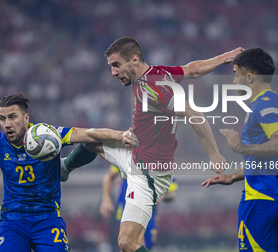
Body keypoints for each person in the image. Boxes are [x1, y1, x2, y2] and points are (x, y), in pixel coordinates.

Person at [61, 37, 244, 252]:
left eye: (116, 65)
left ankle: (64, 167)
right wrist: (223, 58)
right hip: (134, 153)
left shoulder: (153, 88)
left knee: (128, 244)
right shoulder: (158, 72)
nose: (113, 72)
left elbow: (193, 113)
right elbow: (192, 69)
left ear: (134, 60)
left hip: (147, 174)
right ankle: (63, 168)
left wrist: (214, 154)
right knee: (91, 139)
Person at [0, 93, 135, 252]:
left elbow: (89, 134)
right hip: (12, 220)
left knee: (91, 143)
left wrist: (121, 135)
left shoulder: (47, 134)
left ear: (26, 118)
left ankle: (65, 167)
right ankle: (62, 167)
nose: (7, 123)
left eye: (12, 117)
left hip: (47, 217)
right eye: (2, 118)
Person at [202, 48, 278, 251]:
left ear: (250, 76)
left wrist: (240, 147)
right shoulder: (271, 102)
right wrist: (234, 177)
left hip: (262, 199)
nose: (234, 80)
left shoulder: (265, 104)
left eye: (236, 74)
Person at [99, 164, 178, 250]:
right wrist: (106, 198)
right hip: (126, 207)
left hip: (149, 213)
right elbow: (109, 176)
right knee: (128, 242)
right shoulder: (128, 154)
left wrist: (161, 196)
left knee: (143, 246)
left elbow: (171, 194)